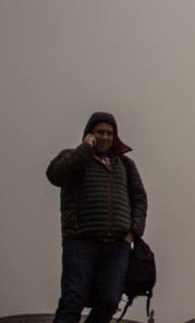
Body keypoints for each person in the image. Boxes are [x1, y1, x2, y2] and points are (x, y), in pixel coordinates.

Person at [47, 112, 148, 323]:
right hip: (81, 242)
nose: (105, 137)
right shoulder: (75, 157)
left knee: (110, 300)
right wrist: (85, 149)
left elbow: (140, 199)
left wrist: (133, 232)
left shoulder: (125, 165)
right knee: (73, 299)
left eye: (109, 133)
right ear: (89, 134)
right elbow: (55, 175)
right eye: (100, 132)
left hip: (117, 245)